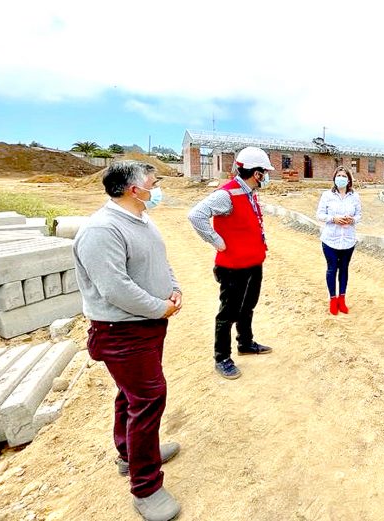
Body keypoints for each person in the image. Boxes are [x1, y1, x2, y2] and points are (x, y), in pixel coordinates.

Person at [73, 161, 182, 521]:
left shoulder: (141, 219)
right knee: (148, 399)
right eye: (154, 182)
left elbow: (160, 260)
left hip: (147, 325)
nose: (158, 187)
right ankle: (146, 488)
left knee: (131, 395)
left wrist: (174, 289)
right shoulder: (102, 230)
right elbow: (115, 288)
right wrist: (159, 307)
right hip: (122, 330)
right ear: (135, 190)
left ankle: (129, 454)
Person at [187, 146, 274, 381]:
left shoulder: (249, 192)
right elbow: (195, 215)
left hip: (253, 263)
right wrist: (217, 241)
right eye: (265, 172)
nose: (266, 177)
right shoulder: (226, 194)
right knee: (228, 313)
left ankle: (245, 343)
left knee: (248, 306)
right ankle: (222, 358)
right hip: (233, 267)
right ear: (256, 173)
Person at [316, 165, 362, 315]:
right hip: (330, 239)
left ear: (349, 180)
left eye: (344, 176)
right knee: (332, 268)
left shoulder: (355, 196)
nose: (341, 178)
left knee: (344, 269)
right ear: (334, 178)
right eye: (338, 176)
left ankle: (342, 299)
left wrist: (352, 219)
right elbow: (320, 215)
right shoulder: (327, 195)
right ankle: (333, 299)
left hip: (348, 240)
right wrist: (333, 219)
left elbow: (359, 215)